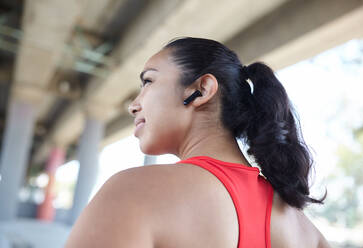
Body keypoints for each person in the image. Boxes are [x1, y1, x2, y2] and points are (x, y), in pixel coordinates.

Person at [65, 37, 330, 248]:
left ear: (200, 90)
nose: (134, 106)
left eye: (148, 81)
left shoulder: (133, 192)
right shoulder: (306, 231)